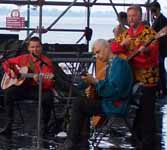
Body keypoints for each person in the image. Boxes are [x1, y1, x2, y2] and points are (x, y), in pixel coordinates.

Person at [64, 39, 133, 150]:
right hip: (111, 102)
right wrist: (93, 88)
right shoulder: (112, 64)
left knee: (79, 104)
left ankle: (71, 141)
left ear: (107, 48)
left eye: (98, 52)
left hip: (116, 105)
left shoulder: (119, 64)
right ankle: (81, 140)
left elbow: (115, 92)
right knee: (83, 101)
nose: (97, 56)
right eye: (95, 54)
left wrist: (95, 82)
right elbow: (109, 87)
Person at [111, 5, 159, 150]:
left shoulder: (149, 33)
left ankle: (148, 142)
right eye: (129, 16)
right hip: (132, 78)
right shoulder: (126, 33)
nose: (131, 18)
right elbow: (113, 47)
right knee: (137, 109)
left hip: (147, 78)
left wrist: (144, 52)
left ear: (140, 17)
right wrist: (122, 46)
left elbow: (153, 57)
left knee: (147, 111)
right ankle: (137, 138)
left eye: (134, 16)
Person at [0, 36, 55, 138]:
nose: (35, 49)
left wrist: (40, 80)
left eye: (37, 47)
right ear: (29, 48)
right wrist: (10, 71)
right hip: (23, 87)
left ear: (41, 48)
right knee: (8, 93)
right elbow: (6, 63)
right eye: (32, 47)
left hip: (38, 88)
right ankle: (8, 125)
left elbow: (49, 83)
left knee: (48, 97)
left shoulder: (46, 62)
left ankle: (44, 127)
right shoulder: (23, 58)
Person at [150, 1, 167, 97]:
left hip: (161, 48)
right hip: (160, 47)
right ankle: (162, 89)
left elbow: (161, 35)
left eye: (154, 11)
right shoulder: (159, 19)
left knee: (160, 68)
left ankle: (162, 89)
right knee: (160, 68)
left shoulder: (162, 20)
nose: (153, 13)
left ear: (158, 9)